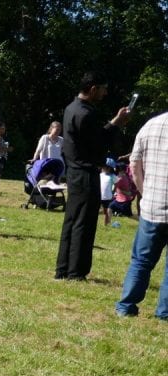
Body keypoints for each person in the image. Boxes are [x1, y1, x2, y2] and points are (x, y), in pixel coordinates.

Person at [55, 71, 130, 281]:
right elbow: (99, 145)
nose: (105, 93)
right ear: (93, 89)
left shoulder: (72, 108)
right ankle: (76, 272)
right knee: (84, 223)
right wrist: (117, 124)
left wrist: (114, 121)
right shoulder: (87, 113)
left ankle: (63, 269)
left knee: (71, 220)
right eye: (104, 88)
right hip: (85, 172)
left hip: (74, 171)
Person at [115, 111, 168, 319]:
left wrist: (145, 193)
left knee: (141, 261)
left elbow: (134, 165)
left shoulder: (150, 125)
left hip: (152, 206)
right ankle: (164, 313)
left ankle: (126, 306)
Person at [99, 159, 117, 228]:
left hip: (108, 197)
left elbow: (116, 184)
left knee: (106, 211)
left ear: (111, 168)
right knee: (102, 211)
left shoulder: (112, 176)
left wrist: (113, 191)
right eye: (104, 166)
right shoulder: (100, 175)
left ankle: (106, 224)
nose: (105, 168)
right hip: (100, 196)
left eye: (108, 167)